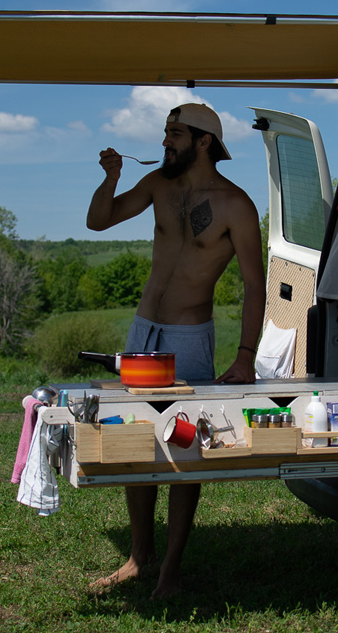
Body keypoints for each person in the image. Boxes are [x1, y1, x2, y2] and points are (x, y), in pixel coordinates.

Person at [86, 103, 266, 598]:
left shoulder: (236, 204)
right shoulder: (158, 187)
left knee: (185, 447)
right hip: (144, 334)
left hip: (189, 339)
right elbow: (98, 221)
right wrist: (112, 176)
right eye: (166, 133)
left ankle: (171, 569)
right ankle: (138, 559)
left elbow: (255, 285)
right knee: (136, 445)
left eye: (175, 134)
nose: (165, 142)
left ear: (205, 141)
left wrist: (246, 355)